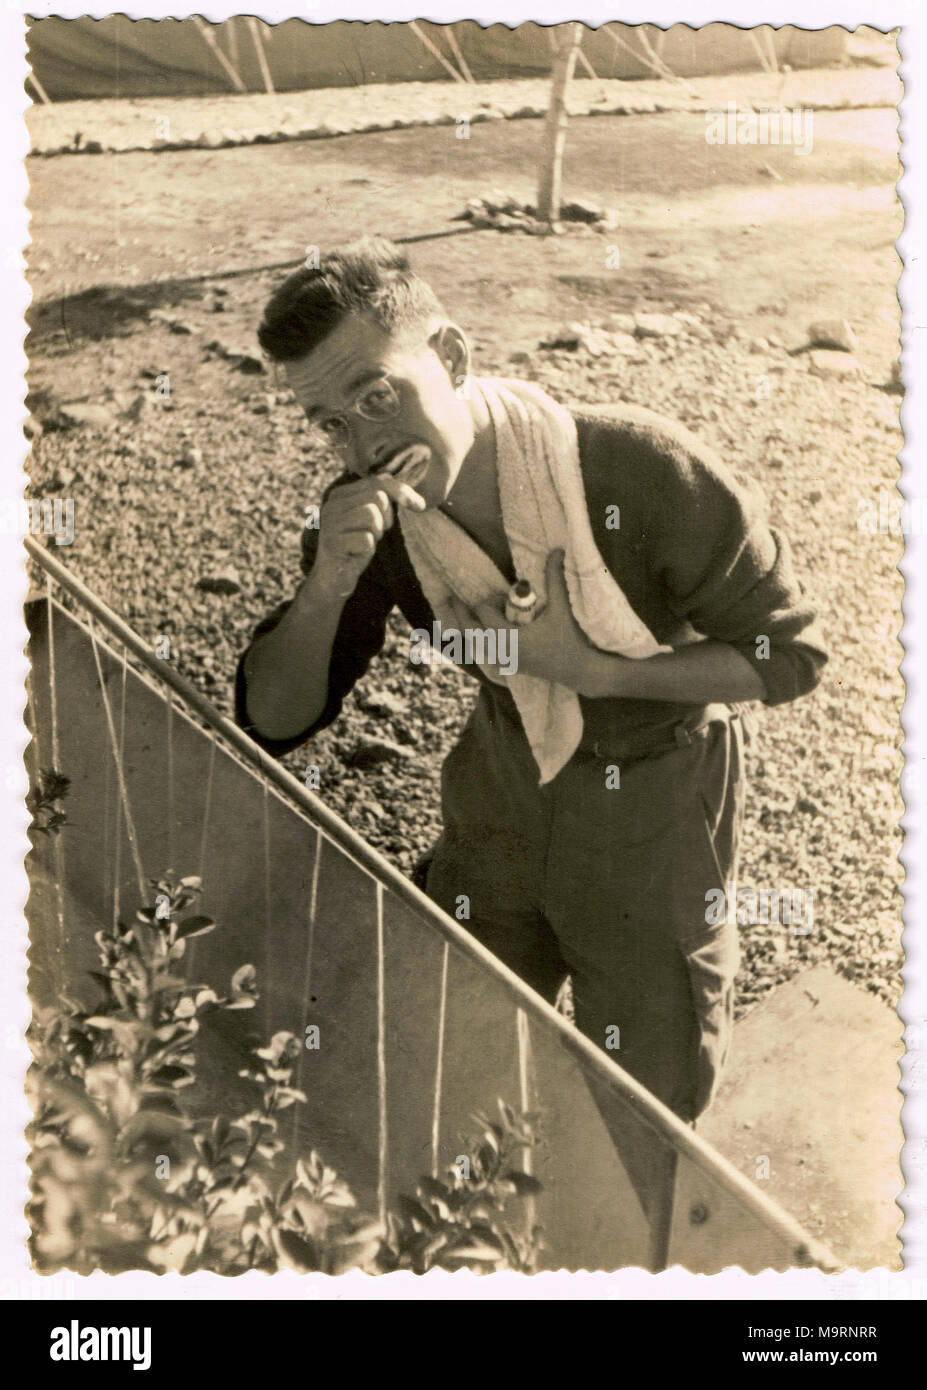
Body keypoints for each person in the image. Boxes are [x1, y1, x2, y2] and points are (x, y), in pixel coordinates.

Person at [234, 237, 827, 1267]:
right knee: (445, 1037)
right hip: (503, 780)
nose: (362, 445)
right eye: (330, 422)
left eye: (378, 396)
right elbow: (276, 720)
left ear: (453, 356)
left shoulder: (636, 469)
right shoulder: (374, 527)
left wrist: (593, 669)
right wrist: (328, 583)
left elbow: (791, 655)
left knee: (640, 1104)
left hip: (655, 787)